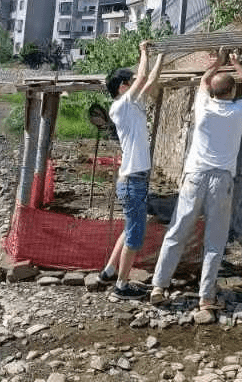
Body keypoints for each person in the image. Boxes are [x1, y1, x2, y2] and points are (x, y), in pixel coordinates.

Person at [150, 50, 242, 309]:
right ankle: (206, 297)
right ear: (233, 93)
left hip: (195, 176)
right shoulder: (239, 111)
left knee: (177, 231)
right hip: (221, 180)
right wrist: (237, 65)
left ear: (213, 92)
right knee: (215, 239)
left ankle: (158, 286)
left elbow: (202, 81)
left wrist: (219, 63)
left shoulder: (204, 106)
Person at [98, 40, 165, 299]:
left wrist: (161, 57)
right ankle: (121, 286)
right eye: (130, 80)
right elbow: (144, 77)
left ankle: (109, 271)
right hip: (132, 180)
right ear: (123, 87)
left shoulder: (132, 105)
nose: (135, 81)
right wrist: (143, 52)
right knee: (135, 235)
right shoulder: (122, 105)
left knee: (130, 228)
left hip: (133, 178)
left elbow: (149, 80)